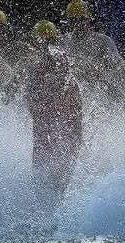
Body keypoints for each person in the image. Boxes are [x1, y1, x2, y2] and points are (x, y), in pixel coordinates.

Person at [25, 20, 83, 213]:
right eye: (41, 43)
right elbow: (29, 99)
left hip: (66, 117)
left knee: (65, 158)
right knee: (42, 160)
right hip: (46, 118)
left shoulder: (64, 62)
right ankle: (45, 205)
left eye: (47, 43)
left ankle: (61, 203)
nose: (45, 48)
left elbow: (73, 107)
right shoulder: (34, 64)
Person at [60, 0, 125, 101]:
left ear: (88, 19)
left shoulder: (103, 41)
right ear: (68, 22)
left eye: (81, 20)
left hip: (99, 90)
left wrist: (108, 65)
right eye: (74, 20)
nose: (78, 24)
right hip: (75, 92)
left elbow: (120, 67)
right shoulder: (62, 41)